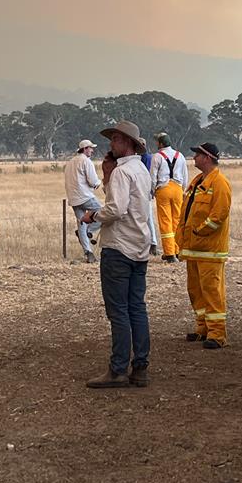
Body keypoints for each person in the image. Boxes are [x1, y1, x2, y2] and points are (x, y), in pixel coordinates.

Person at [80, 120, 155, 388]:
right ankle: (140, 366)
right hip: (139, 247)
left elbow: (116, 209)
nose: (111, 144)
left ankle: (118, 368)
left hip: (119, 247)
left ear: (127, 143)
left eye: (115, 139)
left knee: (118, 311)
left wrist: (92, 216)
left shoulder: (123, 173)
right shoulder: (142, 169)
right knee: (137, 308)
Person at [179, 141, 231, 348]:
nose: (194, 158)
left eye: (198, 155)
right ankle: (202, 328)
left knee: (212, 291)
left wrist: (199, 231)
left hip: (210, 250)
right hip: (193, 249)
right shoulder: (197, 181)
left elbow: (218, 215)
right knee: (195, 290)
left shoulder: (220, 183)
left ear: (207, 158)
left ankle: (217, 334)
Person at [150, 132, 187, 262]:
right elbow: (185, 176)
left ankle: (169, 253)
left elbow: (153, 176)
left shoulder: (157, 156)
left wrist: (152, 190)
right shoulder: (180, 156)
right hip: (177, 189)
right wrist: (182, 190)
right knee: (177, 220)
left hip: (163, 189)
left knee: (165, 221)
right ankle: (178, 251)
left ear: (160, 143)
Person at [64, 138, 102, 262]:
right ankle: (89, 231)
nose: (92, 150)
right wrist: (99, 183)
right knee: (103, 214)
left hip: (73, 198)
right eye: (90, 148)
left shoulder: (70, 162)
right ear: (85, 149)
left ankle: (88, 252)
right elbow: (93, 181)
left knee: (81, 223)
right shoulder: (86, 161)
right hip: (85, 196)